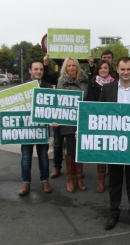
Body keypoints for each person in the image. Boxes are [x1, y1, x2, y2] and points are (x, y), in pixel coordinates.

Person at [100, 57, 130, 232]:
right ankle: (114, 213)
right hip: (113, 144)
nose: (126, 72)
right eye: (122, 69)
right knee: (114, 181)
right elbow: (99, 116)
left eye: (129, 69)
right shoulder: (107, 89)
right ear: (117, 70)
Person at [0, 60, 53, 196]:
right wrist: (0, 116)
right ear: (30, 70)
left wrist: (55, 119)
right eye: (36, 69)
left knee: (43, 157)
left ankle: (45, 181)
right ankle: (25, 183)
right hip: (26, 129)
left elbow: (53, 109)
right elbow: (9, 106)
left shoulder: (48, 87)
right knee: (26, 157)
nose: (38, 71)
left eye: (41, 69)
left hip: (42, 129)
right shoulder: (22, 87)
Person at [53, 56, 89, 193]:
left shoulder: (84, 81)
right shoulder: (61, 81)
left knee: (80, 149)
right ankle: (70, 179)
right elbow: (58, 101)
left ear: (77, 67)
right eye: (69, 66)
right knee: (70, 149)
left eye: (74, 65)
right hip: (68, 120)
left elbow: (88, 99)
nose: (72, 68)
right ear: (65, 68)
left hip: (82, 119)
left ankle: (79, 178)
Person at [87, 59, 116, 193]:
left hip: (114, 121)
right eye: (101, 68)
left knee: (112, 150)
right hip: (99, 121)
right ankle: (101, 181)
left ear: (109, 69)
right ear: (97, 70)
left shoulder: (116, 83)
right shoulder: (92, 84)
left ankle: (113, 180)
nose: (103, 70)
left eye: (106, 68)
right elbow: (90, 103)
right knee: (101, 151)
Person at [42, 54, 64, 179]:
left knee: (74, 145)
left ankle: (77, 170)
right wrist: (45, 64)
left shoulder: (79, 78)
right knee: (57, 143)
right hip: (58, 115)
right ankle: (57, 167)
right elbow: (44, 76)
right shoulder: (57, 76)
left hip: (72, 116)